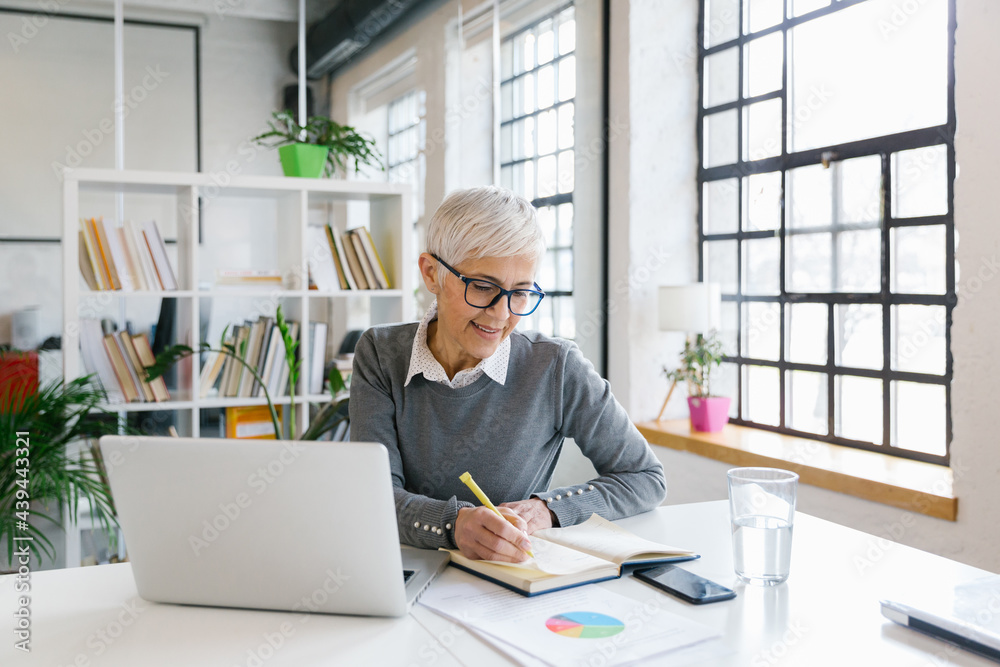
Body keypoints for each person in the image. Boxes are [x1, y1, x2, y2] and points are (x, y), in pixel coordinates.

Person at [350, 186, 666, 563]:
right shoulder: (380, 354)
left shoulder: (556, 366)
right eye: (482, 287)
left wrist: (549, 509)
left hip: (509, 582)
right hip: (400, 571)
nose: (501, 315)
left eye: (520, 292)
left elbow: (645, 477)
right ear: (432, 273)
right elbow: (375, 495)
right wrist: (453, 526)